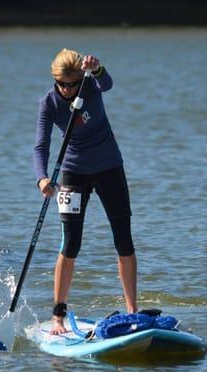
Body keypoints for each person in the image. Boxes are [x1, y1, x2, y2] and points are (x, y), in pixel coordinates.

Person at [33, 49, 138, 334]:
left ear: (81, 78)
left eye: (72, 84)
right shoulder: (48, 103)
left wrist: (98, 68)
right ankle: (58, 315)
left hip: (109, 168)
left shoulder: (91, 83)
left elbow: (108, 84)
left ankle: (132, 311)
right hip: (73, 173)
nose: (67, 90)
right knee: (71, 243)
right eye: (62, 84)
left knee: (123, 239)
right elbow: (41, 146)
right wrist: (42, 179)